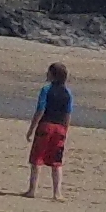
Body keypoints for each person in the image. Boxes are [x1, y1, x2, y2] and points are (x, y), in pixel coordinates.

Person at [25, 61, 74, 195]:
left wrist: (31, 128)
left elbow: (40, 110)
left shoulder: (46, 90)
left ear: (53, 75)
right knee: (56, 161)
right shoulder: (68, 92)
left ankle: (32, 190)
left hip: (46, 126)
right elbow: (68, 113)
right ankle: (57, 192)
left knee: (37, 159)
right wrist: (65, 130)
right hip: (60, 127)